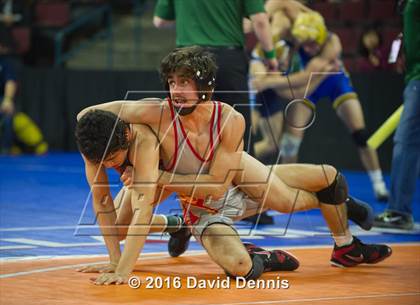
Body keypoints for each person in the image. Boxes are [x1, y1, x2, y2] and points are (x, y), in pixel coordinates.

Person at [77, 46, 391, 285]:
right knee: (239, 267)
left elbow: (215, 185)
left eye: (184, 82)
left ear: (204, 86)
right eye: (171, 83)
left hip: (223, 177)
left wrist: (158, 177)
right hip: (197, 200)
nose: (175, 91)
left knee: (293, 197)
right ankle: (199, 231)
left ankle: (341, 211)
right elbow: (85, 114)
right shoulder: (153, 115)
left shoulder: (228, 119)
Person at [153, 0, 278, 223]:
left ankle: (190, 208)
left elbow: (160, 21)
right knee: (237, 128)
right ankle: (254, 204)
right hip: (227, 59)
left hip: (188, 58)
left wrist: (192, 21)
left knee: (184, 131)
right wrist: (270, 57)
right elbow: (260, 20)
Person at [253, 0, 389, 201]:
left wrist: (268, 81)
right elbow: (299, 85)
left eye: (313, 43)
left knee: (360, 134)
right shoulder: (295, 31)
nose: (308, 48)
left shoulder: (332, 43)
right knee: (290, 142)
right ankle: (287, 187)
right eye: (304, 44)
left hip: (333, 81)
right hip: (309, 83)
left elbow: (302, 83)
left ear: (321, 37)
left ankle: (379, 184)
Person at [374, 0, 420, 230]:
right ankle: (399, 211)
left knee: (407, 141)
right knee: (409, 142)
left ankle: (399, 212)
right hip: (414, 76)